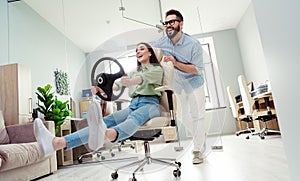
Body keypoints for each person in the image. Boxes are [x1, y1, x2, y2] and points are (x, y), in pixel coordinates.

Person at [33, 42, 163, 157]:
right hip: (134, 104)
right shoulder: (133, 72)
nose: (138, 52)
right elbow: (116, 86)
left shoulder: (156, 69)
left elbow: (142, 79)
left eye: (141, 49)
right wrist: (100, 90)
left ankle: (105, 135)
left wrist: (130, 81)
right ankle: (57, 143)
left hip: (150, 105)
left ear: (150, 52)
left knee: (134, 118)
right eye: (136, 50)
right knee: (107, 120)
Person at [153, 9, 206, 164]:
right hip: (177, 86)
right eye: (166, 23)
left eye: (172, 22)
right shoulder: (161, 44)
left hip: (194, 83)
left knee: (198, 116)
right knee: (182, 116)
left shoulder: (193, 44)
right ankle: (200, 136)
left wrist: (175, 63)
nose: (168, 25)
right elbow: (152, 57)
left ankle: (197, 150)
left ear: (181, 24)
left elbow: (197, 69)